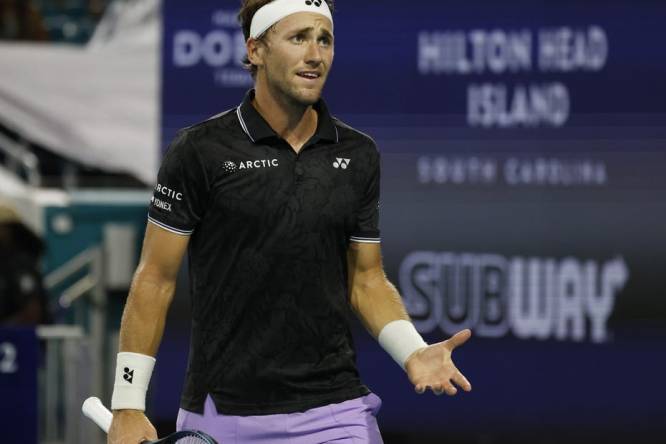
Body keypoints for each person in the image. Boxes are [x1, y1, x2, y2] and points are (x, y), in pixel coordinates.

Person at [108, 1, 472, 442]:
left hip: (336, 411)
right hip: (223, 413)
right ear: (256, 50)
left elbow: (366, 278)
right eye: (298, 38)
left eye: (325, 39)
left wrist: (413, 351)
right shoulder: (200, 151)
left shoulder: (358, 154)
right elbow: (155, 279)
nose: (315, 55)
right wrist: (127, 403)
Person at [0, 201, 50, 326]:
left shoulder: (20, 264)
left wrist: (4, 330)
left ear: (7, 230)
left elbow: (32, 311)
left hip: (19, 341)